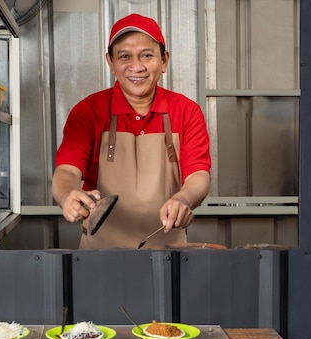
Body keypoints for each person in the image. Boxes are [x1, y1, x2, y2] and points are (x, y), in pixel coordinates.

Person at [52, 13, 211, 249]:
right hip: (100, 252)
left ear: (164, 60)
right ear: (111, 63)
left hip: (169, 252)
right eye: (124, 56)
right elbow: (66, 170)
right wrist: (66, 195)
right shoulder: (88, 111)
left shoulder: (186, 111)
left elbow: (199, 175)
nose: (136, 67)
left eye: (147, 55)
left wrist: (183, 198)